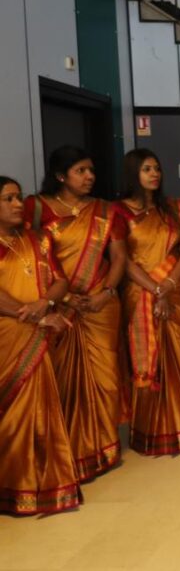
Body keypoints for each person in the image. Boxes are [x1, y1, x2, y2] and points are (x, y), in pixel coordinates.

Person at [24, 147, 128, 482]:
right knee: (63, 380)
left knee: (105, 378)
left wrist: (105, 293)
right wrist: (63, 296)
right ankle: (67, 450)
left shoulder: (105, 211)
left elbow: (119, 256)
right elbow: (28, 254)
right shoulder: (36, 208)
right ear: (60, 175)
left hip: (100, 305)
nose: (89, 177)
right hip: (58, 306)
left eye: (91, 170)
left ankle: (104, 448)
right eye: (81, 170)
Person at [0, 176, 81, 516]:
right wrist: (33, 315)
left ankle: (46, 484)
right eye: (8, 198)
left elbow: (61, 280)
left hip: (37, 328)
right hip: (9, 335)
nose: (19, 204)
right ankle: (13, 485)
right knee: (12, 415)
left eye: (19, 197)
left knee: (42, 411)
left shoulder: (38, 239)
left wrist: (44, 304)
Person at [116, 150, 180, 456]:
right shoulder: (119, 212)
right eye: (146, 169)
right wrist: (154, 289)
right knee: (147, 361)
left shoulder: (174, 207)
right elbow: (123, 260)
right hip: (140, 293)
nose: (154, 174)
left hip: (173, 289)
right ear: (133, 173)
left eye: (156, 168)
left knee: (175, 354)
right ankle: (149, 431)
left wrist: (167, 285)